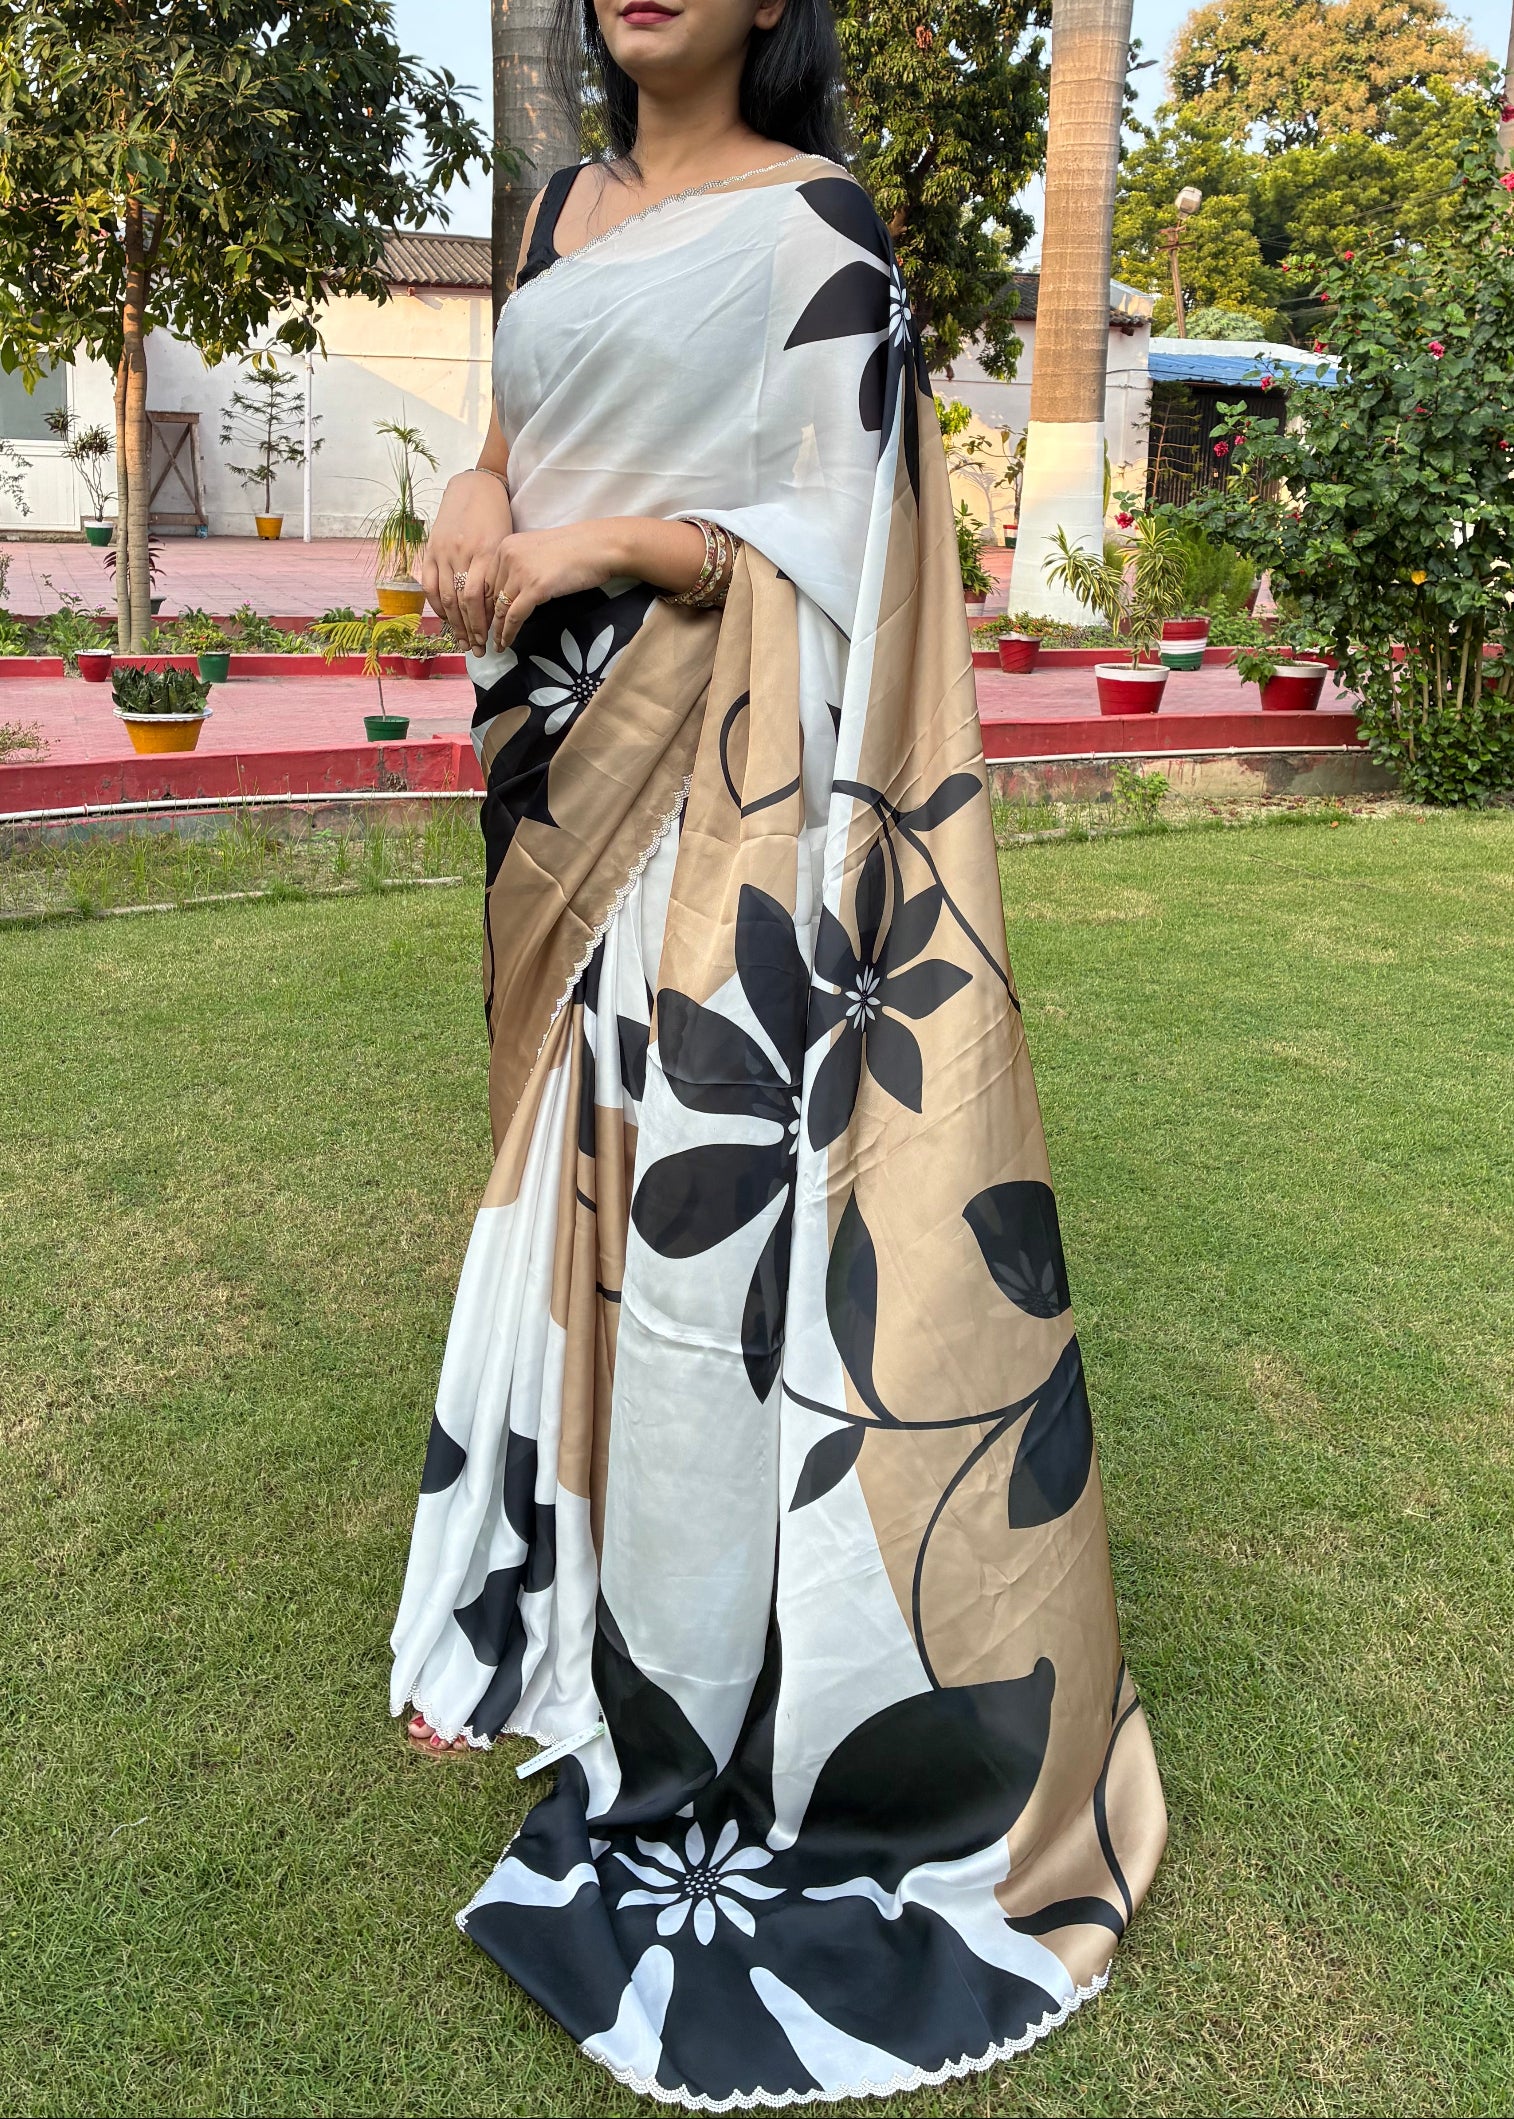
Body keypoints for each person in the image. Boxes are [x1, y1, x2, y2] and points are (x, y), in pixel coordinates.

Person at [389, 0, 1167, 2101]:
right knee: (580, 1195)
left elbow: (844, 539)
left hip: (722, 791)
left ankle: (726, 1676)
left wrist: (600, 544)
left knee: (701, 1230)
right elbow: (514, 424)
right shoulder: (551, 211)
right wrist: (477, 487)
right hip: (554, 767)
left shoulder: (818, 227)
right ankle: (569, 1614)